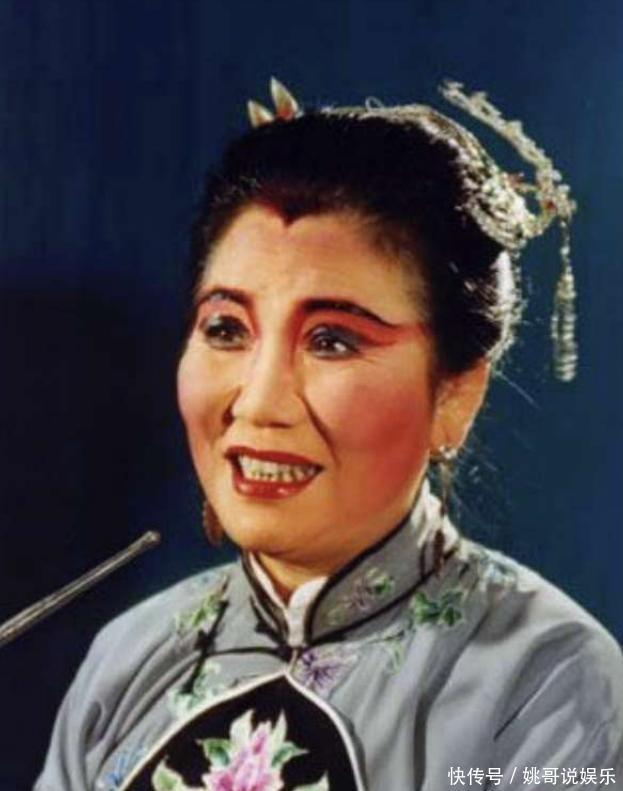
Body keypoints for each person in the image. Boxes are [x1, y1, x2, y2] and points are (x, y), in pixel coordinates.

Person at [36, 79, 623, 791]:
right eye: (226, 329)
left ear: (455, 394)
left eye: (332, 341)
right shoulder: (129, 656)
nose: (258, 402)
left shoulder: (546, 680)